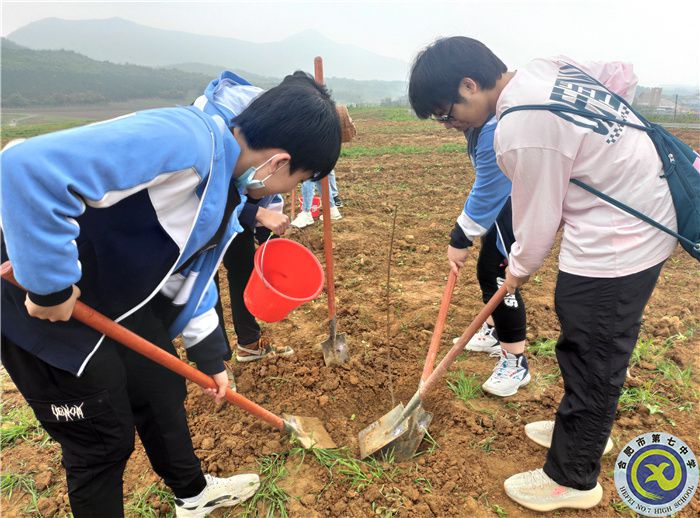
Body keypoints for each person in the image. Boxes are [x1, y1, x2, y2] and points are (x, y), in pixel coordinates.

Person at [0, 70, 341, 518]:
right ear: (278, 162)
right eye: (297, 181)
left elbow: (193, 275)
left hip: (111, 294)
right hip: (32, 289)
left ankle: (193, 495)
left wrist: (210, 358)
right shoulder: (185, 142)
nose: (288, 192)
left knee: (160, 386)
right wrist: (49, 285)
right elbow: (23, 165)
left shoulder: (228, 183)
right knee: (103, 439)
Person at [409, 37, 677, 512]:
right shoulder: (548, 67)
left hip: (620, 234)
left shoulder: (519, 125)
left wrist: (516, 270)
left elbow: (537, 218)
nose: (451, 126)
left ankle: (573, 477)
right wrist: (607, 153)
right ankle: (584, 433)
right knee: (587, 338)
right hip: (639, 204)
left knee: (592, 349)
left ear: (469, 84)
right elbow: (621, 72)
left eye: (446, 114)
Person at [435, 105, 530, 397]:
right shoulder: (480, 124)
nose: (448, 125)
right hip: (503, 206)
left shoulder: (493, 130)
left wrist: (460, 238)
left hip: (514, 205)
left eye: (448, 116)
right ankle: (492, 330)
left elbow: (489, 187)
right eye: (441, 120)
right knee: (488, 270)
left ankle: (516, 362)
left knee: (501, 279)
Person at [292, 106, 356, 228]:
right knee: (322, 177)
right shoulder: (325, 113)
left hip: (318, 147)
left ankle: (306, 213)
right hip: (327, 148)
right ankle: (332, 209)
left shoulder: (312, 114)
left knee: (308, 176)